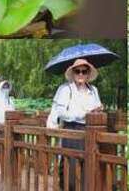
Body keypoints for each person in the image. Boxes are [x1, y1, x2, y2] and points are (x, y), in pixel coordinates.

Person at [47, 58, 103, 191]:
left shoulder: (94, 90)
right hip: (72, 129)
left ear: (88, 73)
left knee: (89, 166)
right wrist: (82, 114)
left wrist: (98, 109)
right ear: (73, 73)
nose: (81, 74)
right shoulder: (66, 89)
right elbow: (61, 112)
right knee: (70, 166)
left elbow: (97, 106)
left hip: (91, 130)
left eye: (84, 71)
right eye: (77, 71)